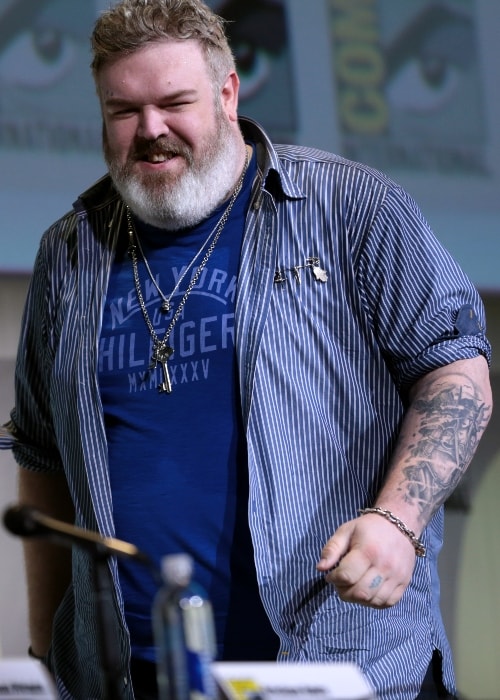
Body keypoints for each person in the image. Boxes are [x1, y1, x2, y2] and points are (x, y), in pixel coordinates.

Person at [0, 0, 492, 698]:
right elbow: (43, 457)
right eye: (123, 110)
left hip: (340, 671)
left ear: (228, 92)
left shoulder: (349, 207)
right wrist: (48, 661)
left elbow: (456, 370)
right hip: (130, 679)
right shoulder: (67, 252)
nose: (151, 131)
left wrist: (397, 521)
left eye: (175, 102)